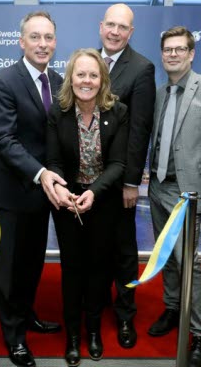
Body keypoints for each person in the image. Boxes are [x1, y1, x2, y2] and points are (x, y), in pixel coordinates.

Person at [147, 26, 201, 367]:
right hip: (158, 187)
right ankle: (173, 309)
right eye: (167, 49)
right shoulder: (159, 93)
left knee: (190, 262)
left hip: (189, 192)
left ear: (191, 53)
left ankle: (200, 334)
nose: (173, 54)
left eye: (179, 49)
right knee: (167, 255)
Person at [0, 10, 65, 367]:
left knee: (32, 264)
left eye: (48, 37)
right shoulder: (3, 82)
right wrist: (42, 174)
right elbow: (3, 139)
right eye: (35, 37)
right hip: (14, 195)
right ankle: (14, 335)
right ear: (21, 42)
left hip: (43, 196)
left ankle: (27, 314)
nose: (42, 44)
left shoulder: (60, 81)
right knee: (9, 269)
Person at [47, 49, 129, 366]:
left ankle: (92, 331)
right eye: (80, 74)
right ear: (71, 78)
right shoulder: (58, 112)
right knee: (72, 270)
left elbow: (119, 162)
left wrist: (94, 191)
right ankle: (73, 336)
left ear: (102, 79)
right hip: (67, 202)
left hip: (103, 201)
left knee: (98, 269)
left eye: (93, 75)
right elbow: (53, 160)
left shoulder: (118, 111)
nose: (87, 80)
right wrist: (62, 190)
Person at [97, 3, 156, 349]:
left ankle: (125, 315)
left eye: (123, 27)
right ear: (101, 26)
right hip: (87, 180)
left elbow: (140, 129)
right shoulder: (87, 61)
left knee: (123, 250)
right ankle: (99, 301)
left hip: (121, 182)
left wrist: (133, 181)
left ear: (131, 33)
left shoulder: (142, 69)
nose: (116, 32)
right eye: (111, 25)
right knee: (96, 247)